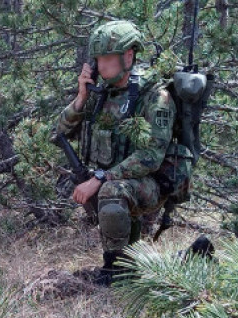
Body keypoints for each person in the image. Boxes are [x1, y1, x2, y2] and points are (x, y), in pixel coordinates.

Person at [54, 19, 193, 280]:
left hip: (149, 184)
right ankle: (179, 262)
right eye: (98, 59)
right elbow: (61, 131)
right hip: (119, 183)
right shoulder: (101, 93)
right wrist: (82, 97)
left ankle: (114, 272)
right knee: (136, 258)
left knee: (110, 191)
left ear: (128, 56)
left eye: (108, 58)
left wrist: (99, 178)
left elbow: (151, 156)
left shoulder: (155, 97)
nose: (102, 65)